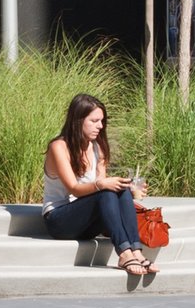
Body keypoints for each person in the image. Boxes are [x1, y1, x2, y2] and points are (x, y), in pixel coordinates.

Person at [41, 92, 147, 274]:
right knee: (106, 190)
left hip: (87, 222)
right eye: (94, 121)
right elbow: (74, 188)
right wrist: (103, 185)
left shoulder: (97, 146)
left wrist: (128, 190)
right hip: (59, 221)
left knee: (119, 190)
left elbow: (101, 183)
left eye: (102, 121)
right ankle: (124, 253)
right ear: (78, 120)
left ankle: (136, 251)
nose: (100, 126)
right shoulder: (59, 147)